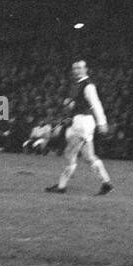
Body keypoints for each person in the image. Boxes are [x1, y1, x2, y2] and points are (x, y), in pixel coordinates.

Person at [45, 59, 113, 195]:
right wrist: (69, 106)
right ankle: (106, 183)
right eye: (75, 68)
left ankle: (61, 187)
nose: (76, 70)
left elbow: (96, 104)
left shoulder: (88, 85)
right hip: (81, 122)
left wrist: (102, 122)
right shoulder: (77, 85)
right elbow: (73, 105)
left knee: (69, 154)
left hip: (83, 122)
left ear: (86, 69)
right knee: (89, 157)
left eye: (80, 68)